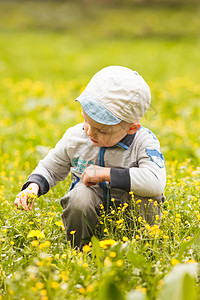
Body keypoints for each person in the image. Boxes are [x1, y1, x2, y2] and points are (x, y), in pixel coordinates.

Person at [14, 66, 166, 249]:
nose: (89, 132)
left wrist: (108, 174)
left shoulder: (143, 142)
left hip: (129, 211)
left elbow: (156, 181)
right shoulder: (75, 137)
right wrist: (33, 186)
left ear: (132, 128)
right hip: (91, 208)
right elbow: (50, 167)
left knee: (146, 197)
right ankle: (80, 250)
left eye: (102, 130)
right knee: (80, 196)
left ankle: (144, 246)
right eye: (86, 120)